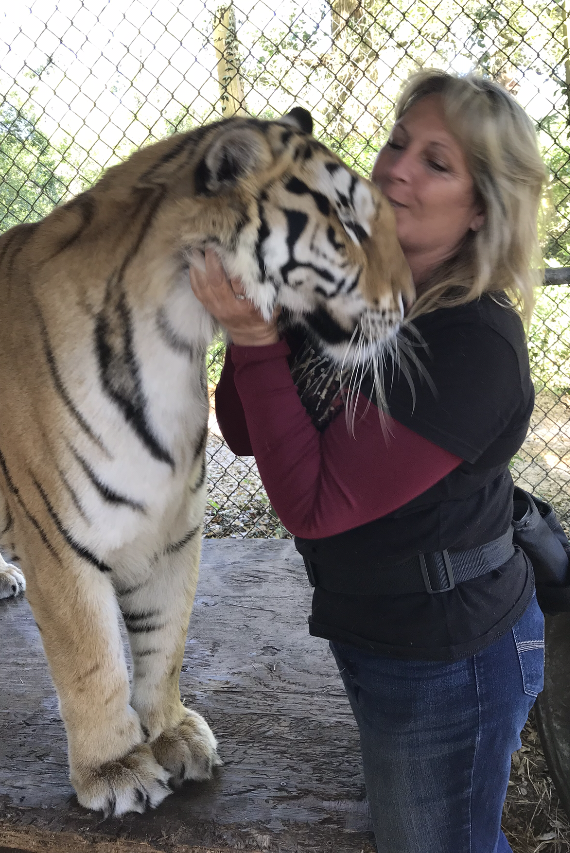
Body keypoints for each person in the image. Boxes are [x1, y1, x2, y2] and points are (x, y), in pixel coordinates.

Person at [189, 69, 548, 853]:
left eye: (436, 162)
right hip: (379, 629)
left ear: (482, 207)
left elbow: (314, 502)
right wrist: (269, 307)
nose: (394, 169)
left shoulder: (471, 340)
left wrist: (253, 336)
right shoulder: (356, 283)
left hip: (450, 654)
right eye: (396, 142)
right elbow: (249, 430)